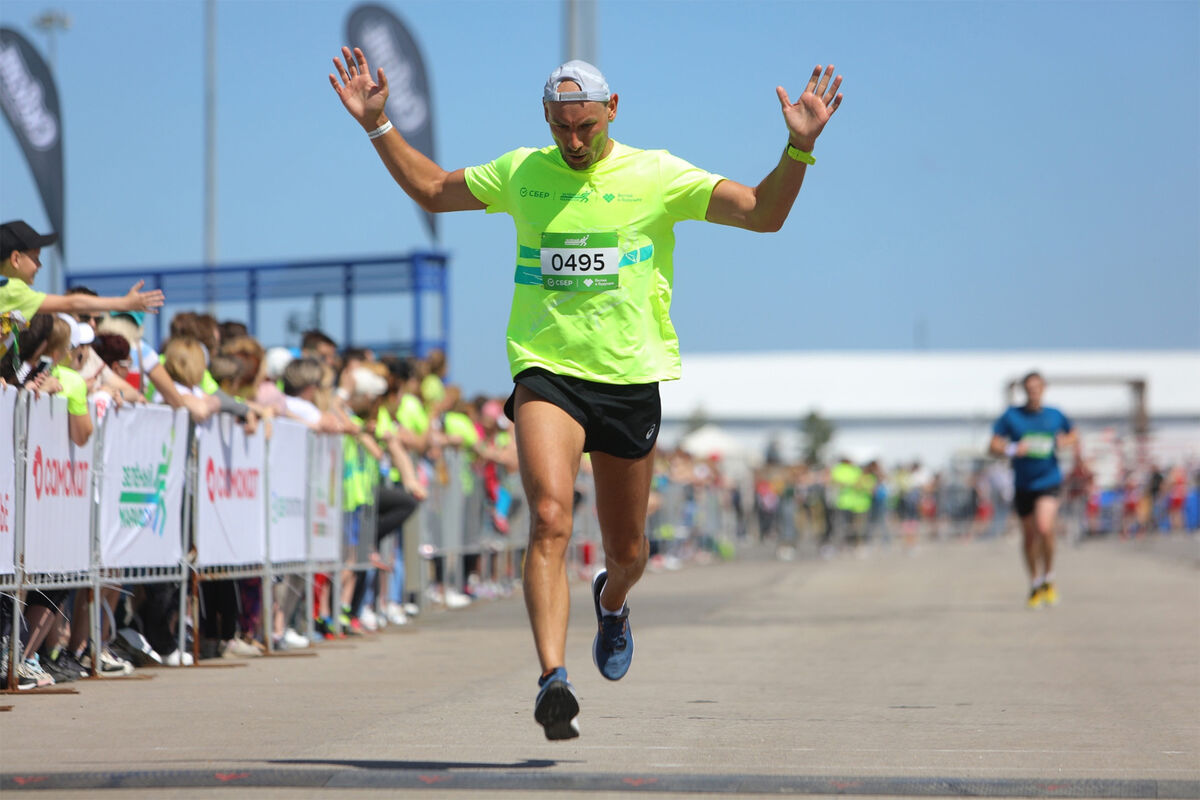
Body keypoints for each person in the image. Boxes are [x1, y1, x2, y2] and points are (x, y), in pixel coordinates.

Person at [330, 49, 844, 739]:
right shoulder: (522, 172)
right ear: (546, 118)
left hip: (630, 382)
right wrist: (379, 124)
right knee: (548, 516)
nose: (574, 142)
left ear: (613, 111)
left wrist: (798, 148)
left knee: (628, 552)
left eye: (587, 127)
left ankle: (613, 599)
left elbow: (761, 213)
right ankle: (552, 679)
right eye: (562, 128)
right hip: (548, 373)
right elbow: (431, 190)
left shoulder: (656, 174)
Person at [1, 220, 164, 362]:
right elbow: (70, 303)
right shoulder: (13, 290)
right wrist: (123, 303)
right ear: (16, 259)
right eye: (35, 258)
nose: (40, 265)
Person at [989, 372, 1076, 609]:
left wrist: (1064, 442)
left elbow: (1073, 434)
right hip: (1023, 483)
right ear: (1024, 390)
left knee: (1044, 526)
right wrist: (1012, 448)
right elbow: (993, 444)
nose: (1033, 392)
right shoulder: (1012, 416)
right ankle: (1035, 582)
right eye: (1029, 388)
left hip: (1048, 480)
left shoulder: (1055, 415)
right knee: (1028, 537)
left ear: (1044, 388)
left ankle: (1049, 576)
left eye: (1037, 387)